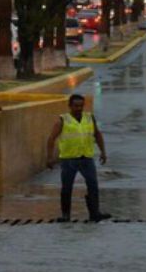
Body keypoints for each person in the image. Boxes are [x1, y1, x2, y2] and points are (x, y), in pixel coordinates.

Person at [46, 94, 111, 222]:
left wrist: (103, 152)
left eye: (81, 106)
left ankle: (95, 213)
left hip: (86, 158)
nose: (78, 108)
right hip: (69, 159)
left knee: (93, 185)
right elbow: (51, 139)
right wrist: (49, 158)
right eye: (76, 106)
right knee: (66, 187)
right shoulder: (62, 120)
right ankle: (65, 215)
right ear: (70, 106)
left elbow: (97, 134)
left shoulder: (89, 118)